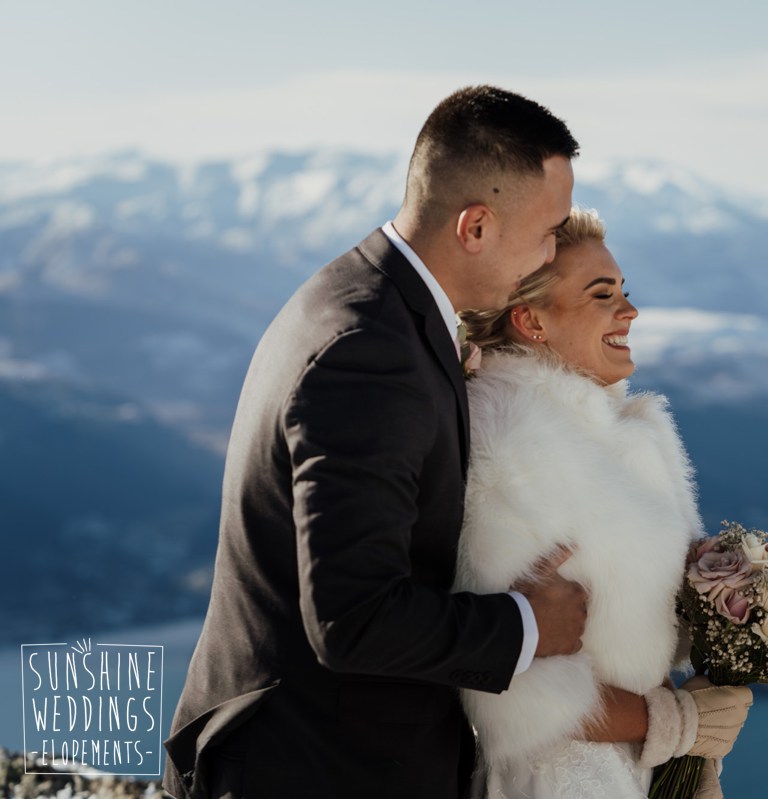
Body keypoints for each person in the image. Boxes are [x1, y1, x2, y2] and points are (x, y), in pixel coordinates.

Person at [163, 86, 590, 799]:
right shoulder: (370, 354)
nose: (551, 255)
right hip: (306, 769)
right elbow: (352, 616)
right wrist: (525, 625)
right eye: (548, 230)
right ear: (476, 226)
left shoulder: (374, 304)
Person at [456, 208, 753, 798]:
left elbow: (640, 622)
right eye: (601, 295)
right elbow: (509, 687)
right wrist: (678, 724)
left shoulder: (626, 430)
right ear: (531, 320)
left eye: (624, 291)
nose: (630, 311)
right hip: (561, 780)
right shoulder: (506, 438)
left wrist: (742, 602)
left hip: (634, 768)